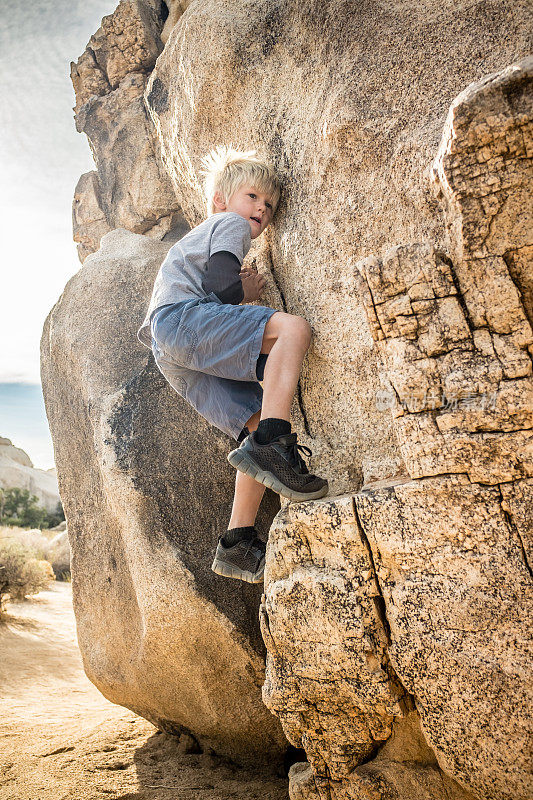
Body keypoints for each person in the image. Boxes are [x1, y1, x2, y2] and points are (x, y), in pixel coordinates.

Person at [137, 144, 328, 585]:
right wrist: (246, 292)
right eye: (252, 197)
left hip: (174, 355)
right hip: (183, 322)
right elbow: (221, 286)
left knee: (254, 422)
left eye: (269, 204)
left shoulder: (202, 237)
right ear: (221, 201)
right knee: (293, 331)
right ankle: (276, 443)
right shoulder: (227, 224)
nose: (261, 209)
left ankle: (239, 541)